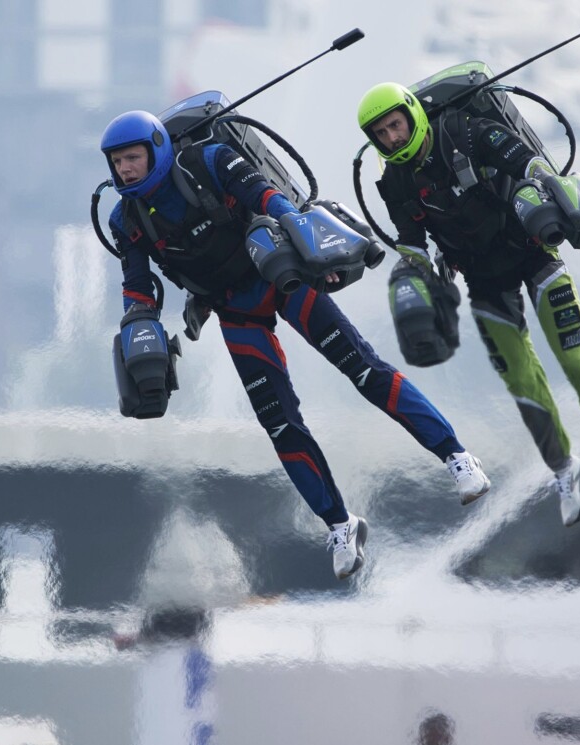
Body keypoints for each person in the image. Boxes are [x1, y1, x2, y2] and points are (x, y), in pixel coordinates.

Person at [100, 109, 490, 579]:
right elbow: (137, 284)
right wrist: (136, 320)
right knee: (279, 424)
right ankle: (341, 526)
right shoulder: (126, 219)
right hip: (233, 308)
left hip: (280, 275)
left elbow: (267, 196)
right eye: (117, 162)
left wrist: (307, 233)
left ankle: (458, 458)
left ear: (156, 151)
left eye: (132, 158)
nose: (124, 169)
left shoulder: (210, 160)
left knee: (364, 370)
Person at [356, 82, 580, 527]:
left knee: (578, 361)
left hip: (534, 252)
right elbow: (411, 241)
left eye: (395, 125)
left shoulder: (464, 131)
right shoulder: (393, 182)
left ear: (411, 114)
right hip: (483, 279)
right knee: (521, 380)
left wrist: (564, 197)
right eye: (381, 133)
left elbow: (530, 163)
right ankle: (564, 469)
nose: (392, 138)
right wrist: (414, 276)